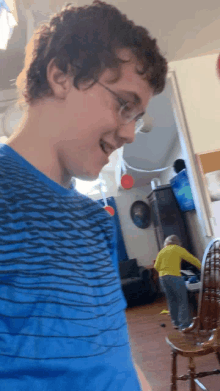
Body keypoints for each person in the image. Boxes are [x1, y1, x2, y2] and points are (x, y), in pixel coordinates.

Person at [0, 1, 167, 390]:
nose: (129, 133)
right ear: (61, 75)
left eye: (137, 118)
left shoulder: (95, 220)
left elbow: (111, 346)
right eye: (124, 105)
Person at [154, 235, 201, 330]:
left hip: (162, 278)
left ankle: (176, 323)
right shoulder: (178, 248)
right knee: (182, 300)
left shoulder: (162, 251)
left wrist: (165, 271)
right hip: (174, 276)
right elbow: (192, 259)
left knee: (171, 300)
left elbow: (156, 266)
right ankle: (185, 325)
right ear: (177, 242)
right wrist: (202, 267)